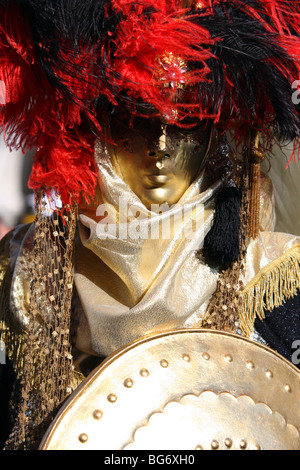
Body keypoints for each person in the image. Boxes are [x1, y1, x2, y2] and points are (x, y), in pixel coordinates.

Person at [0, 0, 300, 450]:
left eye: (185, 124)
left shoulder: (278, 274)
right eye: (136, 121)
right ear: (95, 129)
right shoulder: (25, 271)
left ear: (216, 135)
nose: (159, 147)